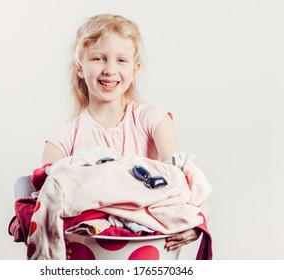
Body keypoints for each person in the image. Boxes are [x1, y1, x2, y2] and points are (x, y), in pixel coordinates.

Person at [41, 14, 206, 252]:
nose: (110, 69)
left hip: (150, 250)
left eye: (121, 60)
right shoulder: (61, 141)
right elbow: (44, 206)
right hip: (90, 255)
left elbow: (184, 185)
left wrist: (199, 221)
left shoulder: (154, 120)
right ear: (79, 67)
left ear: (135, 68)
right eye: (98, 58)